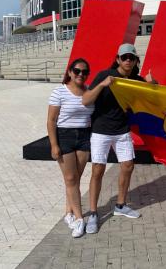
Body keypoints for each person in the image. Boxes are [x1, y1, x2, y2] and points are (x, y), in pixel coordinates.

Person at [82, 43, 156, 233]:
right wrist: (102, 84)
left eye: (131, 58)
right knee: (98, 170)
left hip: (122, 130)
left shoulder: (134, 79)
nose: (128, 61)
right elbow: (86, 99)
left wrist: (151, 83)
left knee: (128, 166)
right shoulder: (105, 75)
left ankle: (120, 205)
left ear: (135, 60)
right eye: (124, 58)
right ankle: (93, 213)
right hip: (101, 131)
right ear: (118, 59)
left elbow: (154, 94)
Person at [47, 58, 95, 238]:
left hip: (83, 136)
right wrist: (54, 145)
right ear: (69, 72)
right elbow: (51, 120)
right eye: (77, 71)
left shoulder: (89, 92)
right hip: (65, 136)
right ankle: (79, 218)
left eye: (84, 72)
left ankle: (68, 212)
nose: (81, 74)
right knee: (70, 178)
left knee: (74, 179)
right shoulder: (59, 91)